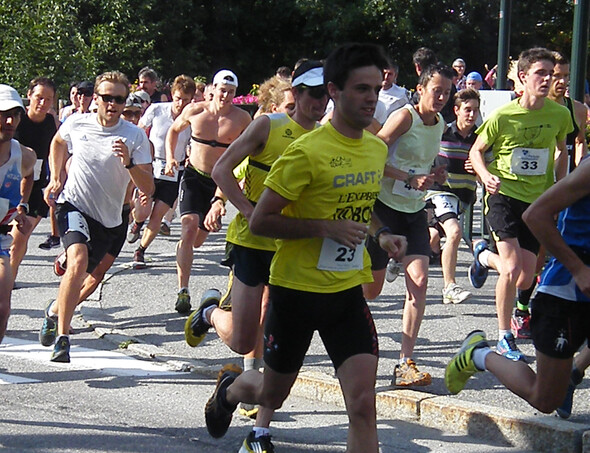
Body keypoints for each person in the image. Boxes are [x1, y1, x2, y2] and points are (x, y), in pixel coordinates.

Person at [203, 43, 406, 453]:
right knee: (270, 395)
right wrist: (324, 228)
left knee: (364, 406)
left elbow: (363, 208)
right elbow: (261, 220)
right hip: (295, 294)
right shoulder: (304, 151)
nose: (371, 98)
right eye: (361, 89)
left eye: (375, 89)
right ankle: (230, 389)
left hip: (346, 294)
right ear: (335, 91)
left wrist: (382, 234)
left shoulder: (374, 148)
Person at [186, 61, 327, 450]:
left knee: (280, 340)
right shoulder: (267, 125)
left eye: (326, 94)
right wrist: (250, 212)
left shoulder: (329, 138)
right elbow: (222, 171)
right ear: (296, 95)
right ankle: (210, 313)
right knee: (243, 338)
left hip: (291, 248)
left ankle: (256, 427)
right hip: (251, 242)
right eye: (313, 93)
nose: (320, 102)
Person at [445, 155, 590, 417]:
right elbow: (536, 215)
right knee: (544, 400)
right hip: (567, 292)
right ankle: (479, 354)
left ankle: (574, 372)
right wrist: (578, 269)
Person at [466, 47, 573, 361]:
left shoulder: (560, 114)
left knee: (526, 278)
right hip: (503, 196)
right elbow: (476, 151)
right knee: (512, 270)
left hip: (536, 202)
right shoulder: (504, 115)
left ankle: (482, 256)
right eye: (541, 73)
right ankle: (504, 337)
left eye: (551, 74)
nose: (548, 79)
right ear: (523, 77)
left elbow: (562, 151)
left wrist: (560, 188)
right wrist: (485, 175)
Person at [41, 71, 153, 362]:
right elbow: (57, 142)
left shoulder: (134, 135)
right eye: (107, 98)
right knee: (77, 260)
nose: (113, 104)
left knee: (88, 278)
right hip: (73, 205)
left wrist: (129, 162)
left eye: (119, 99)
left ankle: (54, 312)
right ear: (96, 99)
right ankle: (63, 339)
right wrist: (56, 177)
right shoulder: (78, 123)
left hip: (110, 219)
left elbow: (149, 187)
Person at [363, 64, 453, 387]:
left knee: (420, 280)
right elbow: (374, 155)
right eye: (436, 91)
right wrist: (407, 177)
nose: (442, 97)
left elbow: (423, 162)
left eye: (447, 91)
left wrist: (435, 173)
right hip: (384, 211)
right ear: (420, 89)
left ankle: (404, 362)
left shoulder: (440, 122)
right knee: (370, 292)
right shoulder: (404, 117)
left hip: (414, 211)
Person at [165, 69, 251, 314]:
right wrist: (172, 158)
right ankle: (183, 290)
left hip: (220, 181)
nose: (225, 96)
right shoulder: (196, 110)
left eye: (231, 92)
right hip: (194, 175)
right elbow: (173, 131)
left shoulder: (242, 119)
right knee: (189, 227)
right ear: (213, 89)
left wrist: (243, 179)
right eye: (222, 90)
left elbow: (252, 149)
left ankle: (193, 246)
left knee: (199, 240)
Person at [130, 75, 196, 269]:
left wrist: (190, 154)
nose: (180, 103)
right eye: (177, 98)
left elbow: (193, 142)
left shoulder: (192, 119)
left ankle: (140, 250)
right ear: (171, 95)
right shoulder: (157, 110)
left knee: (158, 214)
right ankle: (136, 222)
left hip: (174, 171)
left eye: (185, 100)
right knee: (142, 210)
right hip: (151, 166)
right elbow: (140, 131)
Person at [426, 88, 480, 304]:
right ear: (456, 110)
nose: (471, 114)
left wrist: (479, 167)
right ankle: (450, 286)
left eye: (475, 110)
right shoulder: (442, 132)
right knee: (454, 232)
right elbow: (425, 156)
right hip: (440, 192)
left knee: (433, 238)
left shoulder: (480, 139)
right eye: (467, 109)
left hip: (464, 196)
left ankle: (399, 253)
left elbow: (491, 168)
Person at [9, 78, 58, 281]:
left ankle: (9, 279)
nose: (43, 103)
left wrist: (56, 179)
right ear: (29, 96)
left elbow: (57, 152)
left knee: (20, 236)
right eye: (39, 97)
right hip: (9, 184)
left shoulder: (51, 122)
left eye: (48, 99)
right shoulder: (15, 120)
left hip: (37, 188)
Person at [0, 84, 36, 343]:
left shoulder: (24, 155)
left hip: (1, 241)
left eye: (16, 114)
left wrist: (20, 206)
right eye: (3, 114)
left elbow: (30, 175)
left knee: (2, 309)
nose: (10, 120)